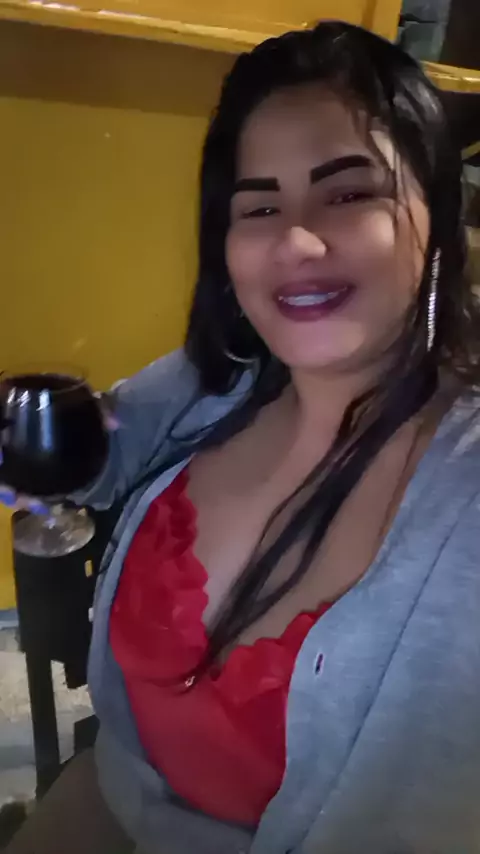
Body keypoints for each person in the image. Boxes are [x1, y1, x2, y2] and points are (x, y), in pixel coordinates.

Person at [6, 19, 480, 854]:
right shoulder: (213, 385)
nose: (294, 239)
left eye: (348, 193)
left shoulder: (463, 487)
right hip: (101, 806)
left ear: (438, 215)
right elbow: (87, 463)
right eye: (259, 206)